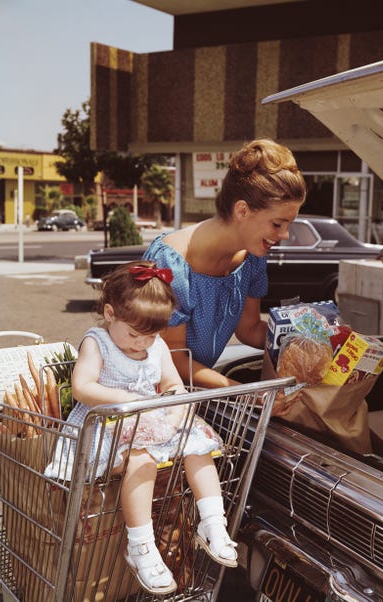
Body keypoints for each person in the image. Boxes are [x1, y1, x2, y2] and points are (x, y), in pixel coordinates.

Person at [45, 261, 237, 596]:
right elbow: (83, 386)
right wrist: (126, 400)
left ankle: (212, 523)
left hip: (151, 420)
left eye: (151, 336)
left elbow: (174, 385)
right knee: (141, 457)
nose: (141, 345)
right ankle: (141, 546)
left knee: (199, 448)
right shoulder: (98, 342)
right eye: (134, 334)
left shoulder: (156, 347)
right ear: (109, 313)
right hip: (108, 424)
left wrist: (174, 417)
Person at [144, 138, 306, 415]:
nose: (285, 235)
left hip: (199, 398)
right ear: (242, 210)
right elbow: (174, 358)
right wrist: (246, 393)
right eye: (278, 223)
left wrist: (308, 333)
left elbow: (250, 329)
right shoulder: (171, 263)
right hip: (155, 402)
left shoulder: (252, 257)